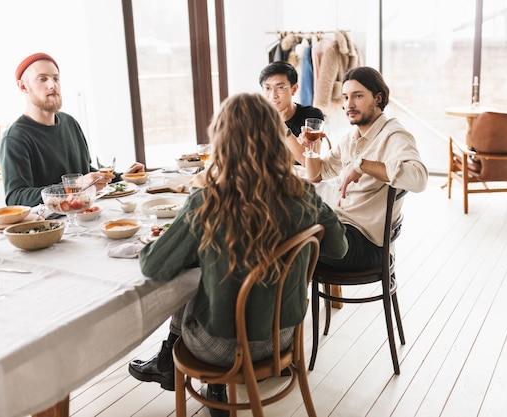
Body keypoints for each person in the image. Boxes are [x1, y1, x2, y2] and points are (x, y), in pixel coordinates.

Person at [128, 93, 348, 417]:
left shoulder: (206, 202)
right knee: (211, 271)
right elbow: (339, 248)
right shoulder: (303, 195)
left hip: (220, 346)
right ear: (277, 139)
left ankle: (175, 368)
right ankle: (206, 385)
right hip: (283, 334)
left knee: (196, 278)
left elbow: (153, 265)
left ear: (222, 141)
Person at [302, 66, 428, 271]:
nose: (349, 105)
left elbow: (419, 179)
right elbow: (317, 174)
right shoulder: (352, 138)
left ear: (378, 98)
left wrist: (362, 166)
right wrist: (310, 149)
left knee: (291, 244)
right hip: (342, 229)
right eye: (345, 97)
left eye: (357, 96)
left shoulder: (394, 135)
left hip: (366, 244)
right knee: (285, 235)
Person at [0, 52, 145, 207]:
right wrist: (73, 187)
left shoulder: (70, 122)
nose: (52, 85)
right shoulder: (14, 138)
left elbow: (84, 170)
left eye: (56, 78)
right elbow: (16, 197)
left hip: (87, 215)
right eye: (42, 79)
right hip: (51, 227)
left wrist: (121, 177)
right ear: (23, 86)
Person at [259, 61, 325, 164]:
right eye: (267, 88)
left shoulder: (311, 116)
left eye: (280, 87)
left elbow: (308, 161)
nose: (273, 95)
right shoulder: (258, 118)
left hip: (300, 178)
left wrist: (282, 126)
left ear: (294, 89)